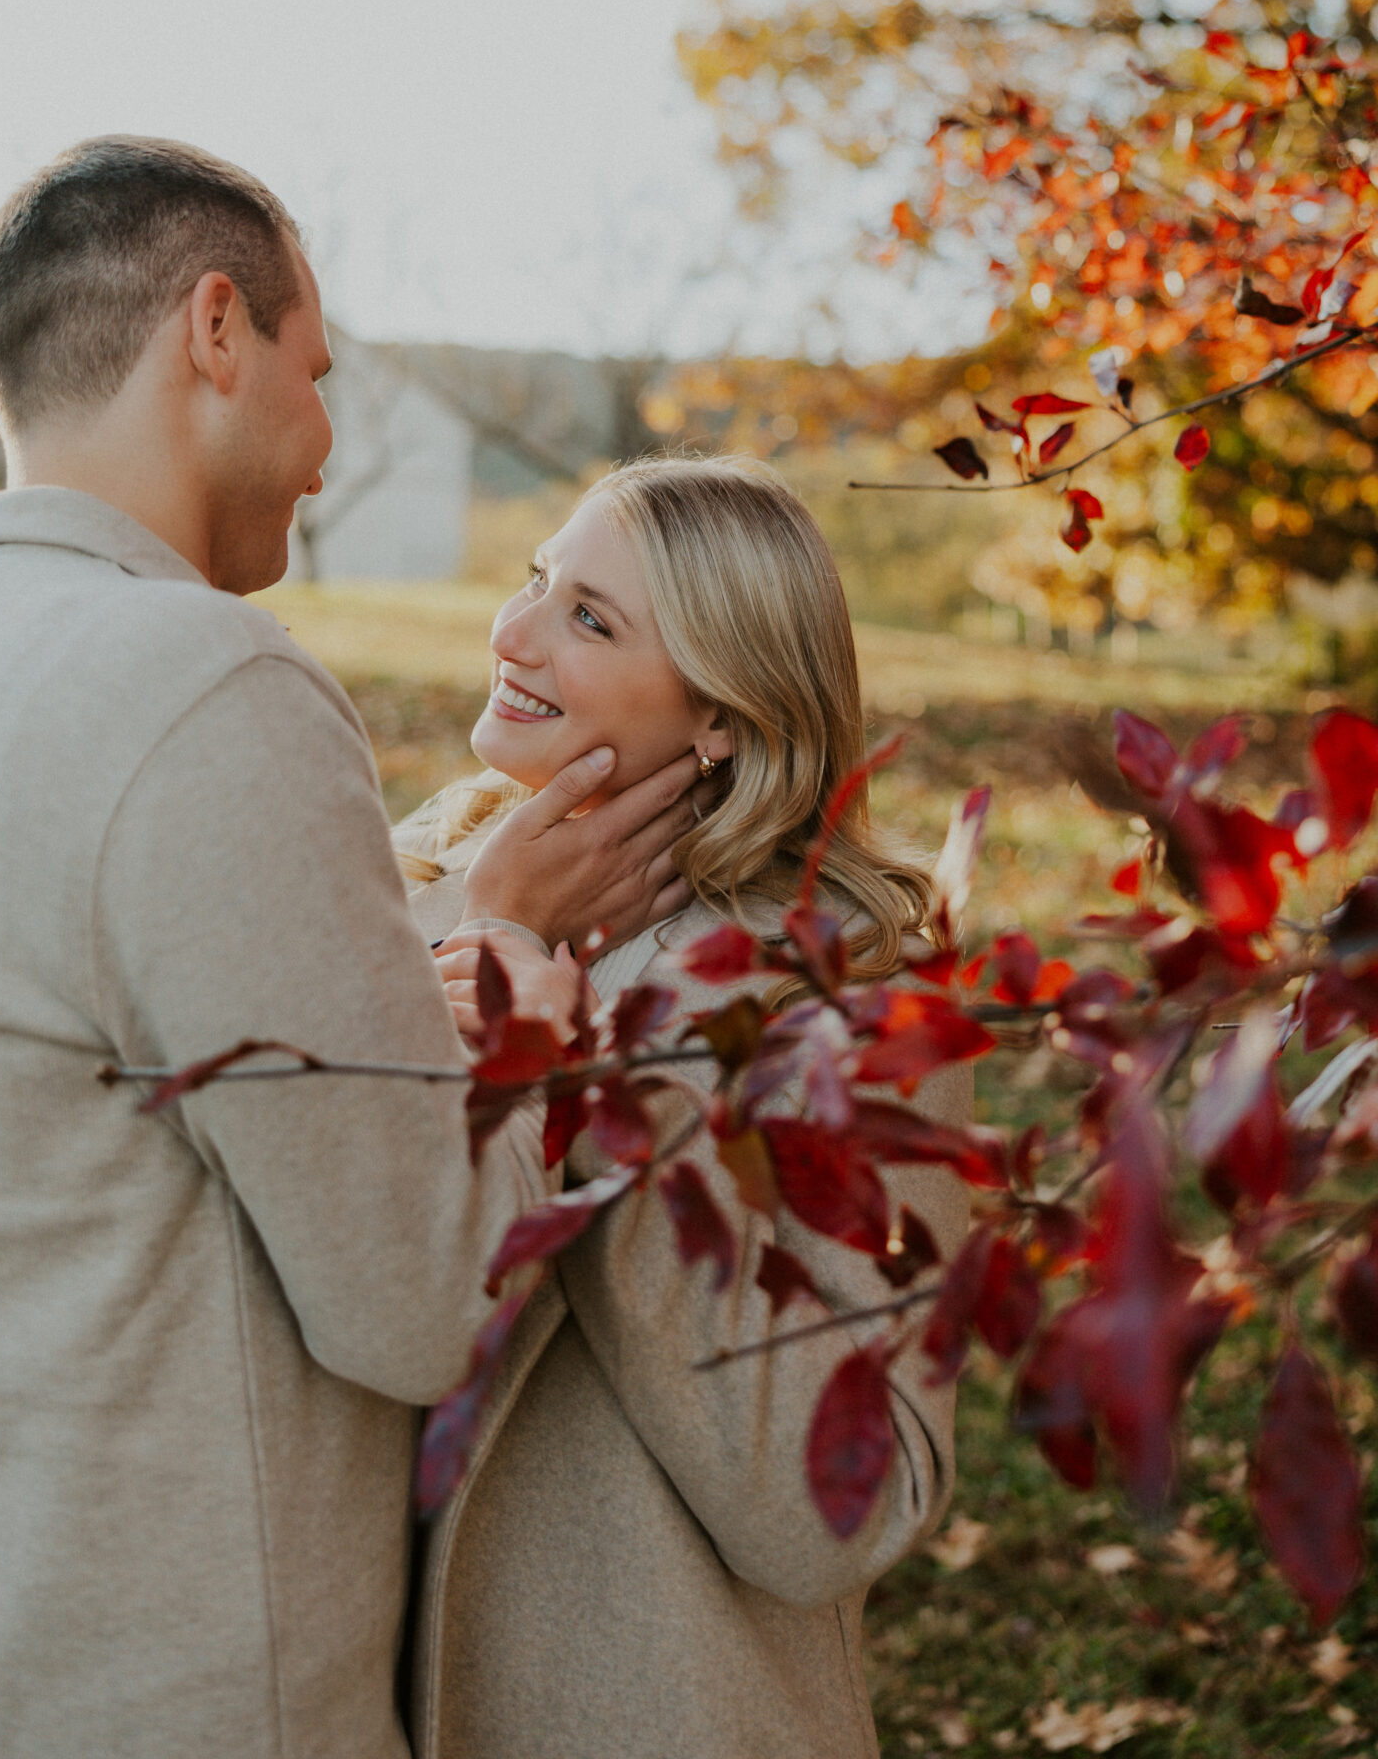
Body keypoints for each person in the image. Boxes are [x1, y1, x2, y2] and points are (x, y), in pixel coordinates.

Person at [0, 137, 701, 1759]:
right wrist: (525, 987)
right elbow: (420, 1293)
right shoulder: (205, 680)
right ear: (213, 331)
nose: (325, 443)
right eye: (314, 373)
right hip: (140, 1695)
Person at [396, 457, 968, 1759]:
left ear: (723, 714)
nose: (516, 633)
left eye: (590, 619)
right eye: (536, 581)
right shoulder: (413, 882)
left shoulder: (849, 1005)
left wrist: (599, 1101)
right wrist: (495, 930)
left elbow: (851, 1503)